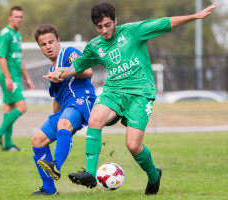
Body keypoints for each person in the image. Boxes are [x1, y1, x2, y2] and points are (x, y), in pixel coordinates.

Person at [47, 1, 218, 195]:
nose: (104, 30)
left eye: (107, 25)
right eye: (99, 27)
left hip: (140, 94)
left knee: (133, 145)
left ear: (115, 20)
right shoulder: (94, 46)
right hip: (113, 92)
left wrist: (195, 16)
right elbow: (78, 67)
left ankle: (154, 175)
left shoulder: (133, 31)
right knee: (95, 118)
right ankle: (91, 174)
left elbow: (164, 23)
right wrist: (61, 74)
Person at [30, 24, 96, 195]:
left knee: (64, 122)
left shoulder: (69, 53)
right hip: (66, 109)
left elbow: (88, 71)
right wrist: (56, 125)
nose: (48, 46)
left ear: (58, 40)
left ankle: (56, 166)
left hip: (82, 100)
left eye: (51, 42)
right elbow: (57, 100)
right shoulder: (51, 71)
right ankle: (49, 190)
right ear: (40, 48)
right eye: (43, 44)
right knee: (38, 139)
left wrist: (64, 72)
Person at [0, 6, 34, 151]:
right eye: (16, 16)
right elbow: (1, 57)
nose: (19, 19)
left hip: (15, 77)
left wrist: (27, 78)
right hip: (9, 77)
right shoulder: (5, 34)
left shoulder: (18, 35)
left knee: (9, 109)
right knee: (22, 107)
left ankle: (7, 144)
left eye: (21, 17)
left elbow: (19, 59)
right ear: (10, 17)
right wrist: (8, 78)